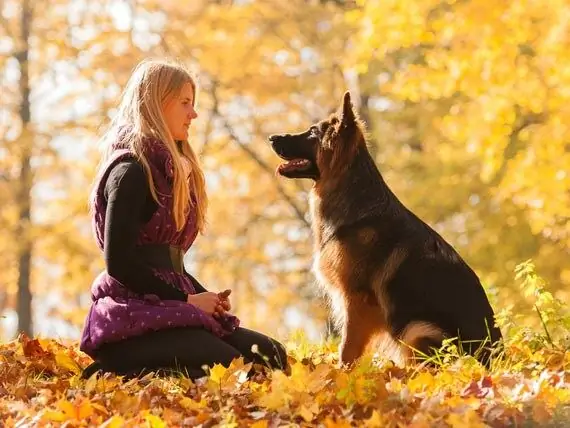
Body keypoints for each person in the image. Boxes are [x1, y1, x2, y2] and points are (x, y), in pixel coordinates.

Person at [79, 58, 289, 380]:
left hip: (169, 305)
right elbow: (119, 263)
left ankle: (172, 367)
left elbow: (169, 266)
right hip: (130, 318)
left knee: (272, 355)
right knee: (232, 368)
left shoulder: (170, 174)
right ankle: (119, 371)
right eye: (185, 103)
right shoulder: (131, 172)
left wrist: (206, 298)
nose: (194, 114)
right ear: (156, 103)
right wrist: (189, 300)